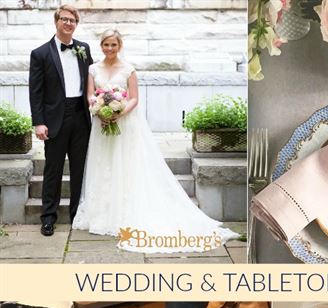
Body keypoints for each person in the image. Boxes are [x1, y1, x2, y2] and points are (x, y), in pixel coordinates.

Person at [72, 30, 238, 253]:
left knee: (125, 164)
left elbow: (134, 98)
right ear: (101, 46)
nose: (109, 49)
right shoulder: (93, 69)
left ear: (119, 45)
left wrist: (117, 114)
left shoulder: (128, 69)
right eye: (106, 45)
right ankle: (102, 211)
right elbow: (90, 95)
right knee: (103, 164)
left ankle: (124, 209)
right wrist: (99, 109)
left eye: (113, 45)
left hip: (124, 124)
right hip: (101, 126)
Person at [29, 5, 93, 236]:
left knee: (79, 170)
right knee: (53, 171)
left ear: (76, 24)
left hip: (81, 117)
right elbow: (35, 92)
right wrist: (39, 122)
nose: (68, 23)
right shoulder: (40, 53)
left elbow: (91, 82)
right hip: (55, 119)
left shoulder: (84, 49)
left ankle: (77, 214)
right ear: (56, 22)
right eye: (64, 19)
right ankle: (48, 217)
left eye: (72, 20)